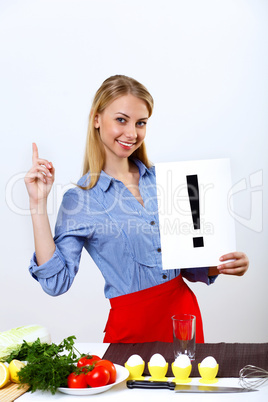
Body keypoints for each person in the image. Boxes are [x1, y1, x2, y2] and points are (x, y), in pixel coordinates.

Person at [25, 75, 249, 344]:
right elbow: (55, 283)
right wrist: (38, 205)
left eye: (140, 123)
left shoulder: (166, 182)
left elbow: (188, 265)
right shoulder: (80, 200)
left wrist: (221, 265)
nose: (132, 133)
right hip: (132, 329)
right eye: (122, 119)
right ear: (97, 118)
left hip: (183, 319)